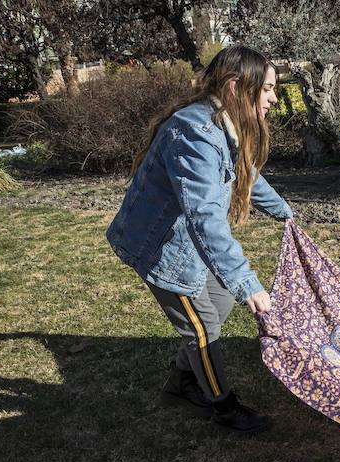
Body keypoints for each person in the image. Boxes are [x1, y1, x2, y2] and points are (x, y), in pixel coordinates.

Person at [106, 45, 291, 434]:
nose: (274, 98)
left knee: (219, 302)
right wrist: (247, 283)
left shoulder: (224, 124)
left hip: (186, 243)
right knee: (203, 326)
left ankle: (181, 382)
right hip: (161, 249)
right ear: (237, 86)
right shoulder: (194, 133)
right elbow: (205, 218)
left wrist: (284, 212)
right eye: (267, 89)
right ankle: (223, 406)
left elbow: (246, 173)